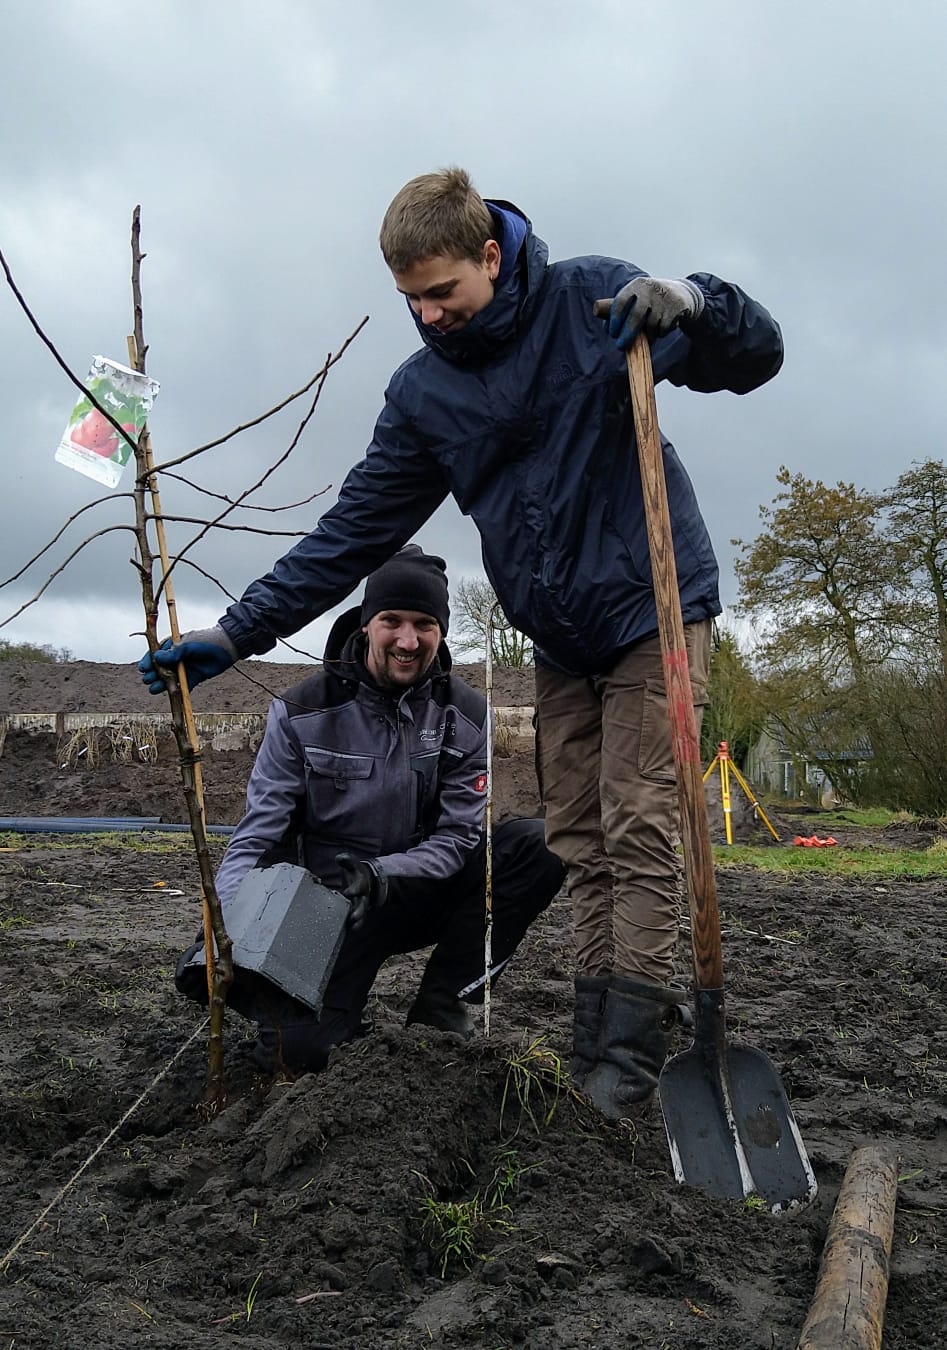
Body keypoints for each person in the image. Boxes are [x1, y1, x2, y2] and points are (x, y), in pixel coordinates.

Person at [144, 168, 783, 1115]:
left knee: (642, 820)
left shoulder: (591, 299)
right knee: (579, 838)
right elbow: (349, 533)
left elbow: (753, 356)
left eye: (443, 293)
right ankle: (594, 1035)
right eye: (411, 301)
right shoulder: (424, 393)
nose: (430, 317)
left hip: (649, 601)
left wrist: (691, 301)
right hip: (559, 636)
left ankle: (629, 1059)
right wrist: (238, 630)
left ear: (491, 255)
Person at [175, 545, 565, 1073]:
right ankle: (336, 1019)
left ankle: (443, 1008)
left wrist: (383, 874)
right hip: (329, 910)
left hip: (419, 888)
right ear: (365, 624)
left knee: (538, 844)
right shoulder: (300, 711)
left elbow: (457, 839)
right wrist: (221, 923)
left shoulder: (468, 716)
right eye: (392, 621)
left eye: (425, 624)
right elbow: (258, 835)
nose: (408, 640)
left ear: (441, 631)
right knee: (298, 1057)